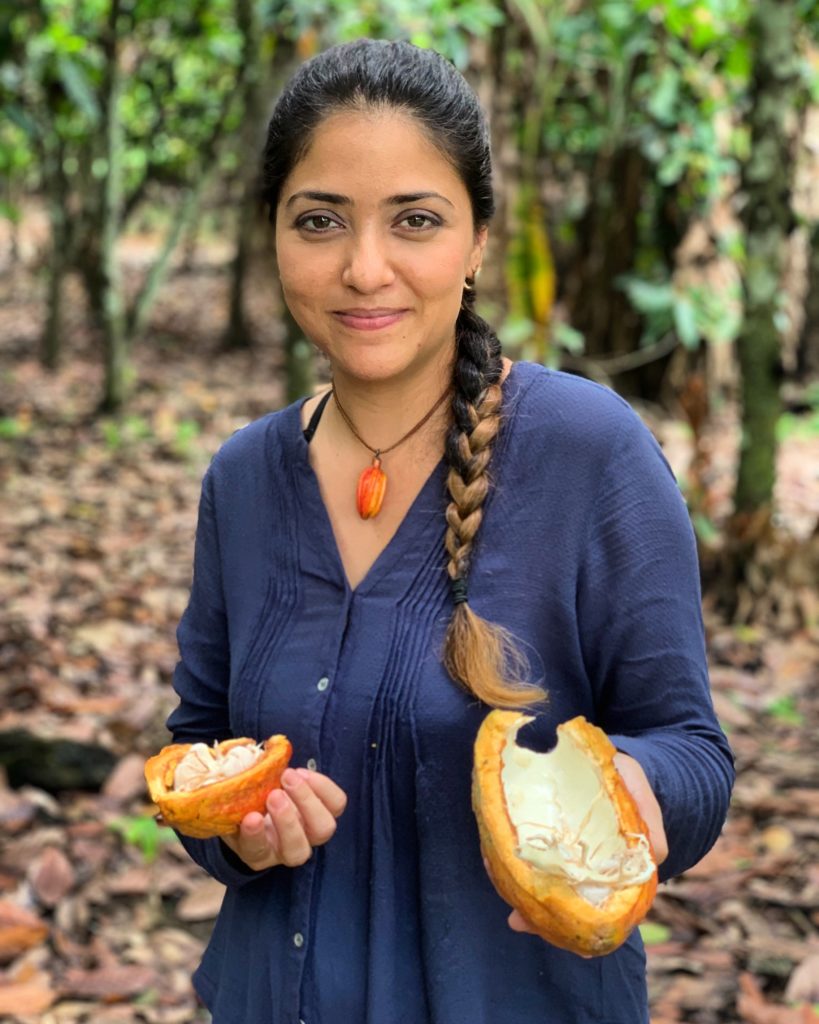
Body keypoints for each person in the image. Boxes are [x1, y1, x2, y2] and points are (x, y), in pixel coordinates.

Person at [166, 38, 734, 1024]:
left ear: (476, 242)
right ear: (274, 234)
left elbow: (691, 748)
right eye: (320, 220)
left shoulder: (589, 452)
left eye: (415, 220)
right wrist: (239, 832)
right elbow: (198, 740)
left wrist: (635, 791)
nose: (364, 267)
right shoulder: (244, 481)